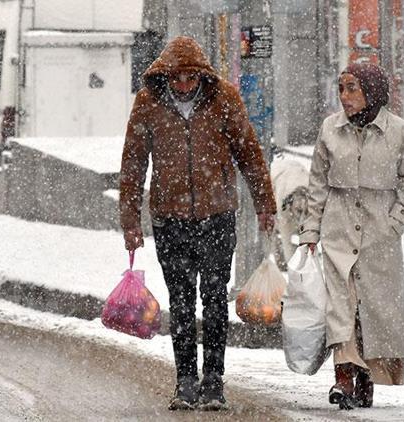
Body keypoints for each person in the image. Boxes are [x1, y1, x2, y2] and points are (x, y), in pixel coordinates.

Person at [118, 36, 276, 411]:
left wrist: (264, 202)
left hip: (217, 216)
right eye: (178, 79)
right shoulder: (148, 103)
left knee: (215, 299)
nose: (185, 86)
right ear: (166, 77)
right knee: (182, 301)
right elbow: (133, 163)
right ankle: (185, 380)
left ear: (202, 76)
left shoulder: (224, 99)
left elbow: (249, 153)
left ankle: (214, 380)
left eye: (191, 79)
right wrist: (130, 221)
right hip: (170, 219)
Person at [299, 63, 404, 410]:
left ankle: (366, 379)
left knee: (374, 310)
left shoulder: (396, 130)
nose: (345, 96)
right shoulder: (330, 129)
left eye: (352, 88)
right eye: (342, 88)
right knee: (340, 306)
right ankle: (343, 378)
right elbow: (318, 184)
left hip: (378, 237)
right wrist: (311, 230)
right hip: (338, 232)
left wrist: (394, 222)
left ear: (372, 90)